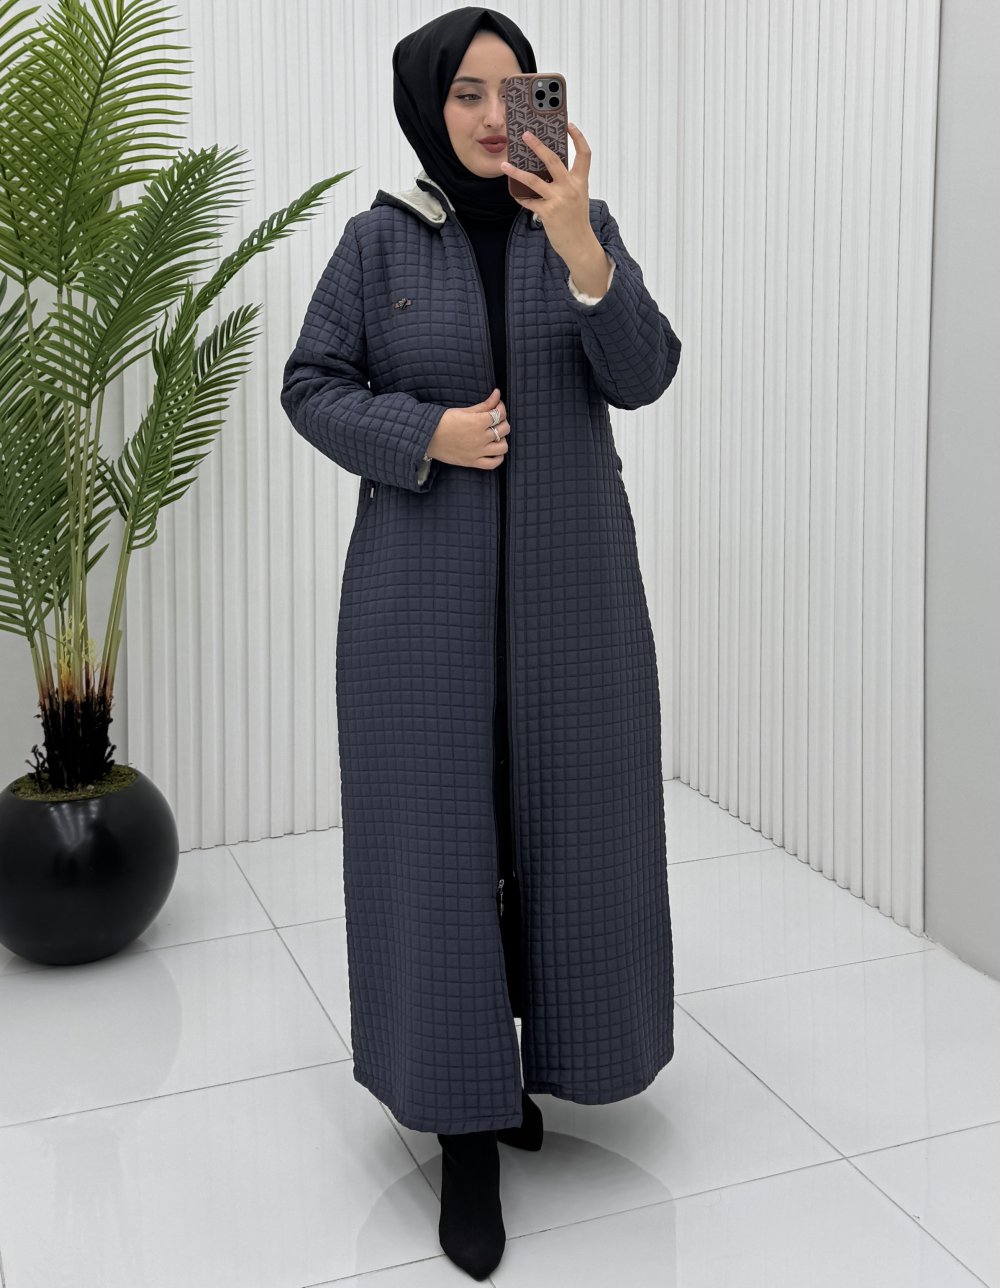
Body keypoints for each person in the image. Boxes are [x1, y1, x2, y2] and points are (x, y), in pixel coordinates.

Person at [281, 7, 681, 1280]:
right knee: (440, 851)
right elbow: (309, 386)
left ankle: (537, 1071)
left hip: (575, 603)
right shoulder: (375, 241)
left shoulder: (582, 226)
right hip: (419, 609)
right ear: (426, 105)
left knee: (568, 833)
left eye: (515, 91)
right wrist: (428, 435)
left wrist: (581, 249)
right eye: (466, 92)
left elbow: (646, 373)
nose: (493, 116)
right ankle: (462, 1130)